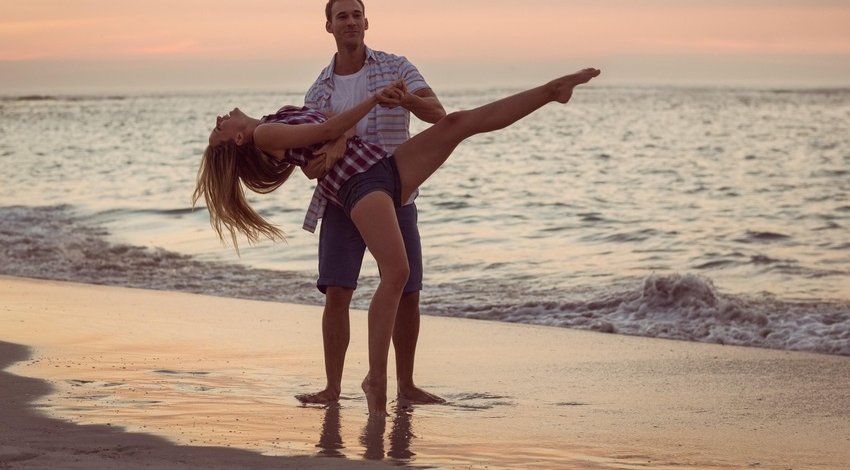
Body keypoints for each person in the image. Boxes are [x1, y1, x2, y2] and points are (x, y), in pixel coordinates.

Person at [193, 68, 601, 416]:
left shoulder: (274, 119)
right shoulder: (264, 132)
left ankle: (550, 92)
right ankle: (376, 380)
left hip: (384, 166)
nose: (219, 119)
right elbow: (331, 127)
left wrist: (340, 135)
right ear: (239, 141)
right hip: (358, 182)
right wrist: (372, 100)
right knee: (397, 273)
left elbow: (338, 128)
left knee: (457, 123)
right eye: (218, 130)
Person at [299, 0, 446, 406]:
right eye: (341, 16)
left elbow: (438, 114)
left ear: (367, 23)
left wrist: (409, 100)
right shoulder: (320, 92)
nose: (350, 21)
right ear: (329, 26)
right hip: (343, 202)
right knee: (337, 292)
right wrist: (316, 161)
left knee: (408, 290)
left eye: (356, 15)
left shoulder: (396, 68)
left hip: (397, 193)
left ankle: (406, 384)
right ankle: (331, 388)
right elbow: (312, 153)